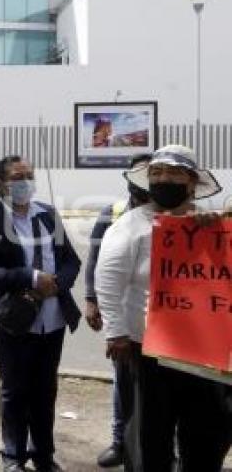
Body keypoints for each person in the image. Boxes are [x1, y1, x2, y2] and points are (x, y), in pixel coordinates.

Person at [96, 144, 230, 471]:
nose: (163, 179)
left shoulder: (211, 225)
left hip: (204, 354)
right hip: (149, 351)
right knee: (149, 437)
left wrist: (216, 232)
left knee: (206, 434)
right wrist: (116, 333)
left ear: (192, 183)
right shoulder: (131, 225)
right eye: (156, 173)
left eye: (173, 174)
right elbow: (108, 280)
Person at [0, 155, 81, 472]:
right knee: (15, 390)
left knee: (45, 389)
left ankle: (43, 455)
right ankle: (13, 456)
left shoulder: (47, 214)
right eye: (18, 177)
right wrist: (32, 278)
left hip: (53, 318)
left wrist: (56, 284)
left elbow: (72, 261)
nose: (25, 183)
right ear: (1, 184)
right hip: (14, 319)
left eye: (29, 176)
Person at [84, 152, 152, 468]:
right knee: (122, 383)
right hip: (121, 319)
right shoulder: (113, 213)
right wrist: (92, 301)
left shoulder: (169, 213)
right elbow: (94, 261)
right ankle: (119, 443)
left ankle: (167, 449)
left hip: (162, 320)